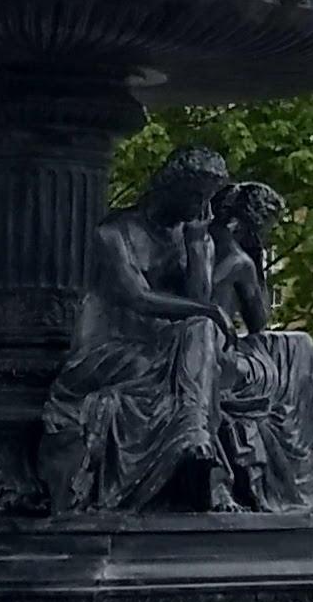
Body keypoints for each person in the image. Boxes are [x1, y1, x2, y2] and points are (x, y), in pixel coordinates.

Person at [41, 146, 236, 514]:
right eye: (194, 196)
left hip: (165, 348)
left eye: (207, 199)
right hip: (108, 350)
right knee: (199, 331)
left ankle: (195, 438)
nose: (200, 208)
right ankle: (200, 449)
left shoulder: (197, 236)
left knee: (199, 331)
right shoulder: (114, 232)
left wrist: (196, 246)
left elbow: (199, 302)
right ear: (169, 187)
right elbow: (139, 299)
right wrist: (208, 310)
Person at [208, 180, 313, 512]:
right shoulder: (239, 261)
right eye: (268, 226)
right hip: (217, 356)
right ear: (252, 223)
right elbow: (259, 322)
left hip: (207, 346)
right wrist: (258, 262)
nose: (270, 234)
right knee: (299, 347)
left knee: (294, 347)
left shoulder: (201, 241)